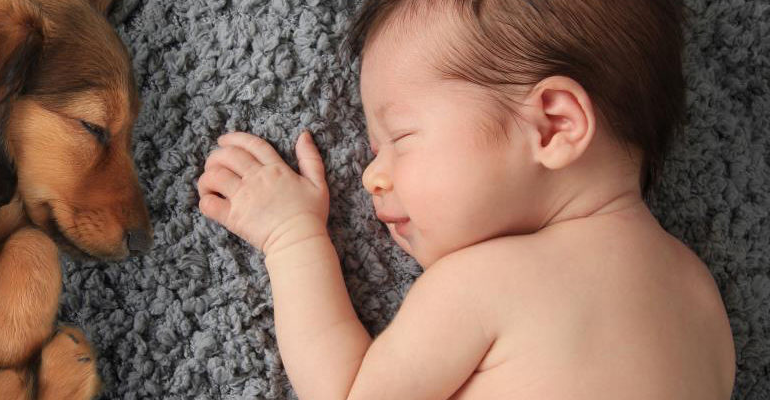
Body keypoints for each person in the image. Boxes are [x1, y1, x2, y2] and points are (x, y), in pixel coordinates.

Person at [196, 0, 736, 398]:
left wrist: (291, 236)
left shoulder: (487, 280)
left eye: (400, 138)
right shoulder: (700, 293)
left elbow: (346, 392)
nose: (371, 176)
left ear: (552, 125)